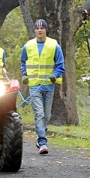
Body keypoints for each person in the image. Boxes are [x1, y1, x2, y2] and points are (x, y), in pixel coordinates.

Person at [20, 19, 64, 155]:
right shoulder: (28, 46)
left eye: (42, 28)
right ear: (34, 30)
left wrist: (54, 75)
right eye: (37, 28)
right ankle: (43, 142)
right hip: (34, 86)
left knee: (46, 115)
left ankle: (40, 137)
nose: (40, 30)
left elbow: (60, 66)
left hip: (48, 85)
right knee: (39, 113)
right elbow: (23, 61)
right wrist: (24, 74)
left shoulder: (54, 45)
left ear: (46, 30)